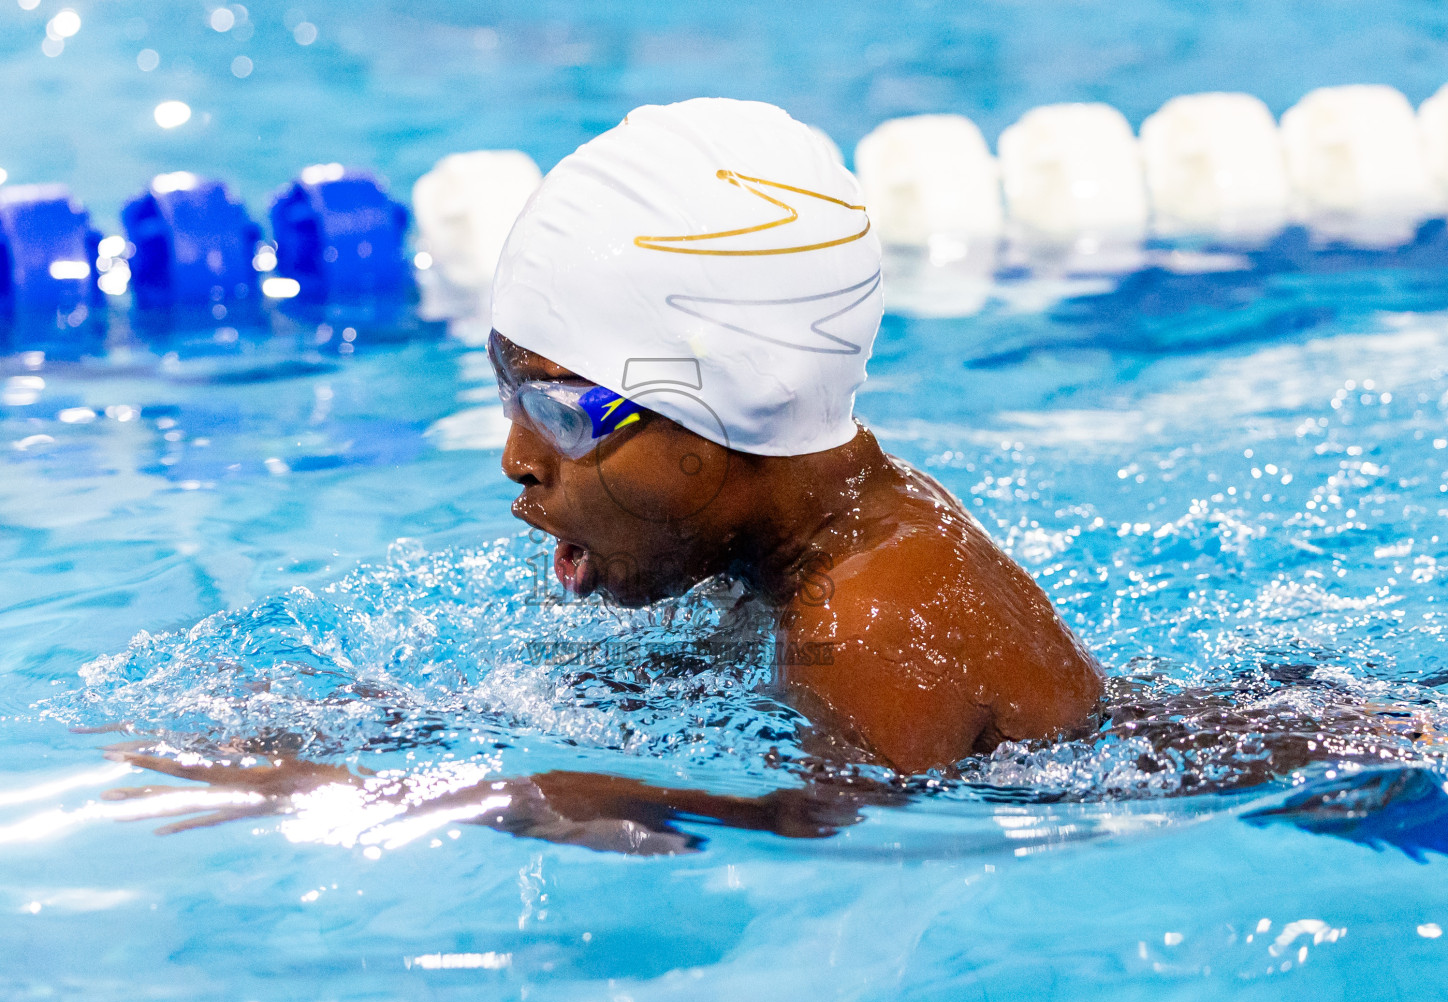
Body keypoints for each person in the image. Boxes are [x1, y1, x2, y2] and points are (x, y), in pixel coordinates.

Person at [104, 98, 1105, 852]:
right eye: (504, 393)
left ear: (726, 411)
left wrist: (423, 794)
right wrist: (393, 720)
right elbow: (668, 694)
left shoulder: (872, 621)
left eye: (556, 410)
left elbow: (838, 845)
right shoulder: (801, 530)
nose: (515, 457)